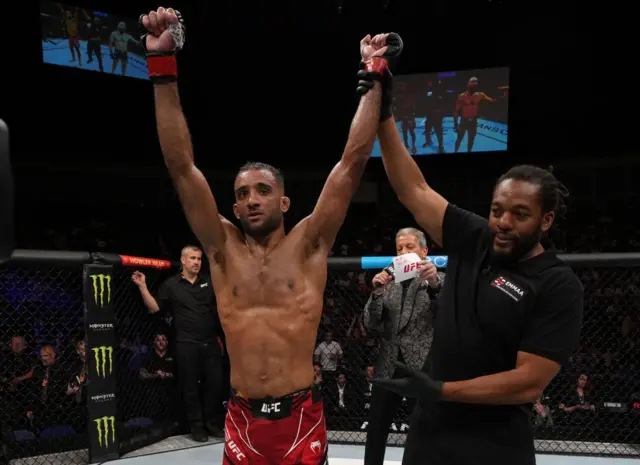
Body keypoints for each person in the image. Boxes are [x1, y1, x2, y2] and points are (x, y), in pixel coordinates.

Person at [138, 7, 401, 463]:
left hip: (301, 417)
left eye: (263, 190)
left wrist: (373, 76)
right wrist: (162, 68)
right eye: (243, 193)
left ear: (283, 202)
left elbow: (351, 163)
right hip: (242, 420)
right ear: (234, 206)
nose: (252, 199)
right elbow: (181, 167)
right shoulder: (219, 249)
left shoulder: (310, 244)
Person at [357, 72, 584, 465]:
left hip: (494, 441)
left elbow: (528, 383)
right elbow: (413, 188)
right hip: (430, 431)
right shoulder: (475, 237)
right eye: (497, 210)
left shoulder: (557, 284)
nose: (504, 222)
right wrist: (385, 111)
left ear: (546, 221)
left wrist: (443, 390)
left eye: (520, 214)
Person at [363, 227, 444, 465]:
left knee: (424, 431)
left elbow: (447, 315)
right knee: (376, 429)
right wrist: (377, 293)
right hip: (387, 366)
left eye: (410, 247)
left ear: (424, 251)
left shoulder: (438, 280)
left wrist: (433, 283)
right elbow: (371, 324)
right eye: (399, 249)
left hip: (421, 368)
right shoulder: (389, 281)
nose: (403, 252)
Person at [132, 245, 225, 442]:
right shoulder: (171, 284)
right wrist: (142, 287)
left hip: (210, 342)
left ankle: (211, 423)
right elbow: (155, 308)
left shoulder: (209, 282)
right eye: (192, 258)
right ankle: (196, 427)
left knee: (216, 384)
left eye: (199, 259)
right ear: (183, 260)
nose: (196, 262)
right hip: (186, 344)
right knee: (189, 387)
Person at [453, 77, 496, 152]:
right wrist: (456, 124)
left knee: (471, 139)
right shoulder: (462, 96)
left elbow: (491, 100)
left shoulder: (480, 95)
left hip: (473, 121)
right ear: (468, 85)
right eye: (472, 85)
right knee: (459, 138)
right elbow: (456, 110)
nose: (474, 87)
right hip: (464, 121)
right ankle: (455, 151)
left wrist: (501, 97)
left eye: (475, 85)